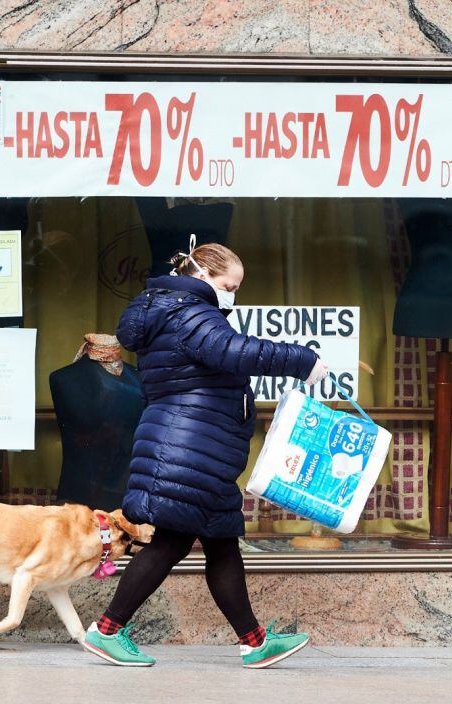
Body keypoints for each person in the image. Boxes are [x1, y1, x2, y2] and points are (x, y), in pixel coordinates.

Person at [82, 235, 329, 669]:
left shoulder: (173, 309)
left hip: (195, 444)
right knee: (173, 540)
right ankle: (106, 630)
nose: (232, 295)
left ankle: (254, 642)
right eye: (229, 286)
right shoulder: (190, 312)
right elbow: (235, 352)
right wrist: (302, 361)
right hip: (188, 444)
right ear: (201, 274)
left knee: (221, 543)